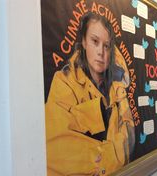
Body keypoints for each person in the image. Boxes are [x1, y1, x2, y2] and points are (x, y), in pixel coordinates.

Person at [45, 12, 135, 176]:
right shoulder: (64, 82)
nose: (101, 51)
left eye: (106, 45)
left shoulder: (117, 86)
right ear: (84, 42)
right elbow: (56, 149)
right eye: (95, 41)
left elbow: (129, 140)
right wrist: (110, 155)